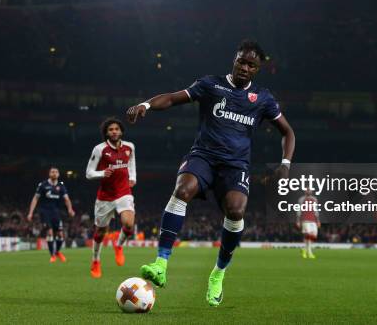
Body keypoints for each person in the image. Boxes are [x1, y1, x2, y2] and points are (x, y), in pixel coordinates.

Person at [127, 39, 295, 306]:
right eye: (242, 61)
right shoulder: (211, 84)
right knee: (182, 190)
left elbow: (288, 132)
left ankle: (218, 273)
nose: (245, 67)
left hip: (236, 165)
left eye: (251, 65)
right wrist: (146, 105)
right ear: (234, 59)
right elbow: (172, 98)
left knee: (236, 211)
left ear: (257, 70)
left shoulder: (262, 98)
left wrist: (285, 164)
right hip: (203, 156)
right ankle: (160, 263)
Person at [86, 117, 137, 278]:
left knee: (129, 224)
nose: (114, 131)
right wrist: (102, 173)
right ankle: (95, 260)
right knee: (100, 232)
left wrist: (133, 177)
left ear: (121, 131)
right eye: (110, 129)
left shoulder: (130, 147)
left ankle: (119, 245)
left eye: (116, 129)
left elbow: (131, 163)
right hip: (105, 196)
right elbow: (88, 173)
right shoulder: (99, 149)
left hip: (124, 192)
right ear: (106, 133)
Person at [27, 167, 75, 263]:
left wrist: (70, 209)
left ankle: (57, 252)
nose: (54, 173)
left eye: (56, 172)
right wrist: (30, 212)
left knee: (61, 234)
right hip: (45, 212)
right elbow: (35, 199)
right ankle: (52, 255)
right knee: (49, 233)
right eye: (52, 172)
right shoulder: (43, 185)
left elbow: (67, 199)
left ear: (58, 174)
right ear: (49, 174)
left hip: (56, 212)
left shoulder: (61, 186)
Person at [296, 189, 320, 259]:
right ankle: (309, 253)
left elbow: (316, 210)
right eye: (307, 190)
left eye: (310, 190)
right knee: (308, 235)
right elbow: (299, 210)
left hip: (313, 220)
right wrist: (298, 221)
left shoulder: (314, 199)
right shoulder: (301, 199)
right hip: (305, 220)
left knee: (314, 235)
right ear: (305, 191)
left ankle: (304, 249)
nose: (309, 191)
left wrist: (318, 220)